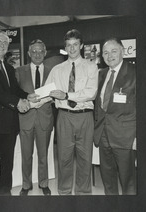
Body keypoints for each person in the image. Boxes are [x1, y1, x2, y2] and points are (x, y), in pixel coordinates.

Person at [0, 30, 38, 195]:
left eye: (5, 43)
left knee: (8, 160)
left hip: (10, 122)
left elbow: (15, 90)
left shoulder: (10, 69)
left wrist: (27, 96)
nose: (2, 45)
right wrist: (18, 102)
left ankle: (6, 190)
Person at [46, 29, 99, 195]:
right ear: (65, 47)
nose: (72, 48)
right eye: (69, 45)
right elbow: (47, 92)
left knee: (85, 158)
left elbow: (91, 93)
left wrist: (67, 95)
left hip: (85, 116)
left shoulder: (91, 67)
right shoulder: (57, 69)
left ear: (81, 45)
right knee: (64, 158)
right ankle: (64, 192)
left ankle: (83, 193)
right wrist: (32, 98)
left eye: (75, 44)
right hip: (64, 117)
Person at [94, 38, 136, 195]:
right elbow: (99, 105)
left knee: (129, 182)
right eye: (105, 52)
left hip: (125, 137)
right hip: (103, 135)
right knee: (108, 180)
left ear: (123, 51)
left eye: (114, 51)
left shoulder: (135, 72)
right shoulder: (102, 74)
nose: (109, 55)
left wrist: (138, 137)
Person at [15, 39, 54, 196]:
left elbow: (56, 92)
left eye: (40, 51)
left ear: (45, 53)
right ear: (29, 53)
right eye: (34, 51)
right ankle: (26, 184)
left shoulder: (53, 71)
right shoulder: (19, 71)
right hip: (26, 118)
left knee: (43, 154)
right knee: (26, 154)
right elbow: (16, 94)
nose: (37, 54)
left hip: (44, 118)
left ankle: (44, 183)